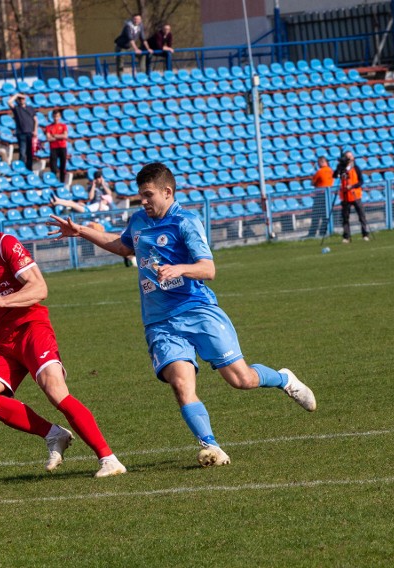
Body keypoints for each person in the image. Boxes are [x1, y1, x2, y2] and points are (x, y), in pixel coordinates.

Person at [47, 162, 317, 468]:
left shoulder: (186, 222)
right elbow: (124, 247)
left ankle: (284, 379)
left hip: (198, 311)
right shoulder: (138, 221)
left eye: (148, 195)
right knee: (180, 382)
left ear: (167, 192)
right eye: (140, 196)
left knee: (241, 379)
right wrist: (80, 231)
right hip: (160, 322)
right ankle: (211, 446)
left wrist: (180, 268)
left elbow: (209, 269)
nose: (144, 201)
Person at [0, 186, 127, 478]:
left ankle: (108, 458)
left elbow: (39, 288)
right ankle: (54, 434)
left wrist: (3, 300)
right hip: (1, 343)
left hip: (31, 327)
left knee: (54, 388)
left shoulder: (4, 244)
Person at [333, 151, 370, 243]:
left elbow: (361, 181)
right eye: (347, 156)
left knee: (361, 216)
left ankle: (365, 234)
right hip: (345, 196)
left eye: (350, 156)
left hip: (356, 195)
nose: (349, 158)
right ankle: (346, 236)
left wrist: (352, 186)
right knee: (345, 217)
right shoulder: (342, 169)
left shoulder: (356, 168)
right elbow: (335, 176)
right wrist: (340, 167)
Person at [7, 93, 37, 171]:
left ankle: (29, 169)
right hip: (21, 133)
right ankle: (21, 169)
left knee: (30, 153)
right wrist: (16, 95)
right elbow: (9, 102)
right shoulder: (17, 108)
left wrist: (35, 130)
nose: (21, 100)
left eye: (23, 98)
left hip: (30, 132)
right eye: (20, 99)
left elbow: (35, 120)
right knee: (22, 152)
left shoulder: (30, 108)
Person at [308, 156, 334, 238]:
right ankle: (323, 232)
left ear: (322, 162)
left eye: (318, 162)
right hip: (329, 195)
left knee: (316, 215)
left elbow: (312, 183)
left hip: (320, 195)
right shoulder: (330, 171)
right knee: (326, 214)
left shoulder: (320, 171)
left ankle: (312, 233)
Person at [44, 108, 68, 183]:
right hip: (53, 148)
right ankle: (53, 181)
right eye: (54, 116)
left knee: (62, 166)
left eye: (57, 116)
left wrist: (54, 135)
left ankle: (62, 182)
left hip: (62, 147)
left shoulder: (63, 126)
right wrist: (59, 137)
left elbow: (65, 136)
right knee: (53, 166)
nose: (56, 118)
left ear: (60, 117)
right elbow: (48, 138)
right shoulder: (49, 127)